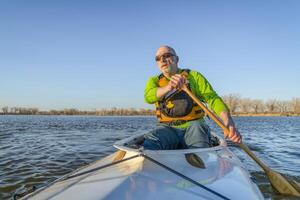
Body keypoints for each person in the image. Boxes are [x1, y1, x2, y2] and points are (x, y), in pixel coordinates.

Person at [143, 45, 242, 150]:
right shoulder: (153, 81)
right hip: (167, 128)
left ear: (177, 59)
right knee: (150, 143)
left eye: (167, 55)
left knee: (198, 145)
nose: (162, 59)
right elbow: (148, 97)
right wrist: (169, 87)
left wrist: (228, 122)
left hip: (194, 126)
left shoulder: (194, 76)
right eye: (158, 58)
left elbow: (213, 99)